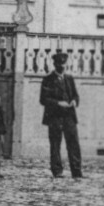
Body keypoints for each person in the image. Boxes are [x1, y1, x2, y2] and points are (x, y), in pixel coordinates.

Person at [39, 51, 83, 179]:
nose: (62, 67)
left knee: (73, 143)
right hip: (54, 117)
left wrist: (74, 101)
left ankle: (76, 171)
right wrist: (58, 103)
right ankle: (57, 171)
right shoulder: (47, 80)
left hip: (69, 116)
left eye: (64, 64)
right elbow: (43, 99)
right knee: (55, 144)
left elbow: (75, 95)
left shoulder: (69, 79)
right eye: (60, 64)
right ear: (55, 64)